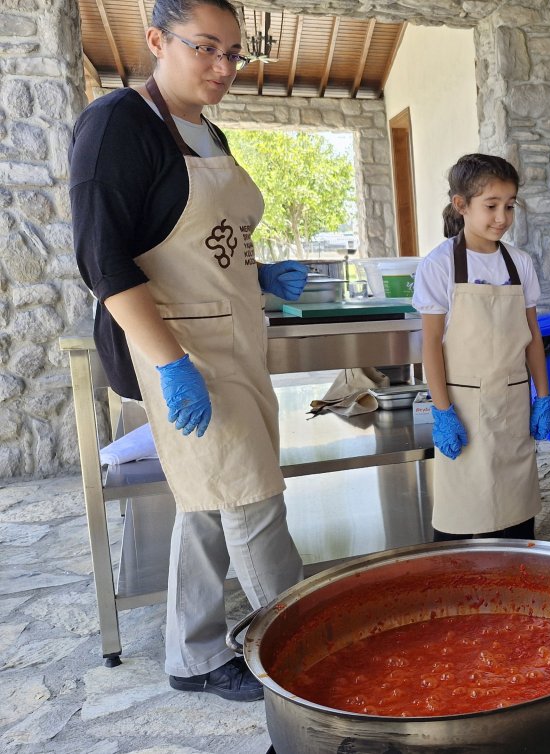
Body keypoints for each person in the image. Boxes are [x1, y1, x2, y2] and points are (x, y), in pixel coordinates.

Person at [70, 0, 306, 701]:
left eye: (234, 53)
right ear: (155, 40)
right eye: (206, 48)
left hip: (237, 338)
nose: (224, 67)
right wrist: (170, 365)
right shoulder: (118, 125)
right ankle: (301, 657)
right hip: (183, 347)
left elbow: (200, 242)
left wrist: (259, 275)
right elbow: (102, 259)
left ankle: (193, 654)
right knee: (253, 498)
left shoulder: (208, 133)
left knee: (210, 500)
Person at [411, 154, 550, 541]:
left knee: (516, 509)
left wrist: (543, 395)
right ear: (461, 205)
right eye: (491, 206)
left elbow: (532, 336)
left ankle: (515, 577)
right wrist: (442, 410)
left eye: (509, 206)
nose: (502, 217)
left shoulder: (520, 263)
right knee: (461, 513)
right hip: (463, 406)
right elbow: (431, 347)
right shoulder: (439, 266)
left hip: (511, 401)